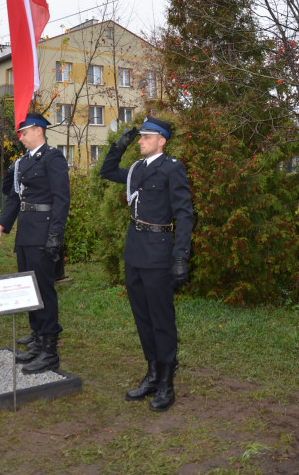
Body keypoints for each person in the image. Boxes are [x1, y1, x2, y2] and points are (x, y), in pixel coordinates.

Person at [100, 116, 193, 411]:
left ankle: (166, 381)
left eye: (145, 137)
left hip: (159, 253)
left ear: (161, 141)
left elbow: (185, 214)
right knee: (142, 317)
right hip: (135, 253)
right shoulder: (137, 169)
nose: (140, 141)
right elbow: (107, 170)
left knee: (161, 319)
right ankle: (152, 373)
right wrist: (121, 143)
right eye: (139, 137)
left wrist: (180, 257)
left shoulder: (172, 168)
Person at [0, 113, 70, 373]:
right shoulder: (22, 164)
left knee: (44, 290)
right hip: (26, 232)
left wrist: (55, 234)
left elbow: (61, 199)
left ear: (38, 130)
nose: (20, 138)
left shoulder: (53, 158)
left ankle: (49, 350)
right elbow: (14, 198)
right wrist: (1, 228)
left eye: (23, 133)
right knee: (29, 288)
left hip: (43, 231)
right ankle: (37, 338)